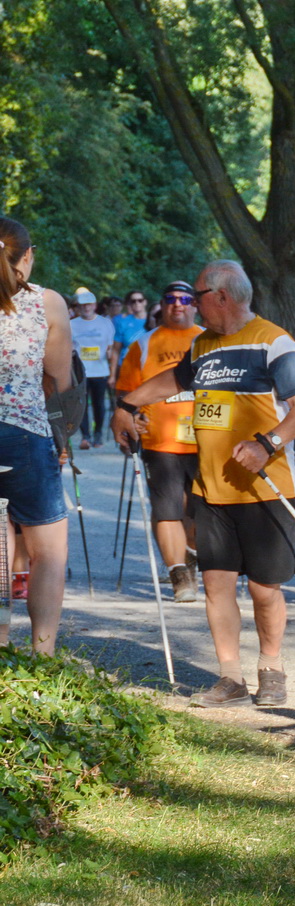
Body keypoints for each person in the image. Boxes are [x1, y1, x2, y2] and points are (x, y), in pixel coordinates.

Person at [113, 260, 295, 707]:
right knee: (216, 586)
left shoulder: (272, 340)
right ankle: (230, 678)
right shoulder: (203, 346)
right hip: (211, 490)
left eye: (198, 295)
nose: (192, 303)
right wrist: (127, 403)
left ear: (220, 297)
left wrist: (268, 443)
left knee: (265, 589)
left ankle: (271, 667)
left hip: (265, 489)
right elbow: (173, 380)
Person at [0, 216, 74, 654]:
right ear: (27, 255)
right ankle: (43, 656)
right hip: (23, 431)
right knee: (48, 549)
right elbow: (59, 379)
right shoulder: (46, 303)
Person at [112, 280, 203, 602]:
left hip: (205, 441)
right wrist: (129, 417)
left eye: (185, 298)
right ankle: (178, 573)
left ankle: (190, 552)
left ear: (195, 304)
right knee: (167, 510)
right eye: (170, 299)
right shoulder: (144, 343)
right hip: (159, 441)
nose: (177, 304)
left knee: (196, 514)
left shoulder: (208, 340)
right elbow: (126, 391)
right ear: (161, 305)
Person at [69, 288, 116, 449]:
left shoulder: (105, 323)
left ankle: (98, 435)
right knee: (81, 404)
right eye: (82, 305)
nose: (86, 308)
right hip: (80, 371)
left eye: (89, 304)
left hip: (100, 370)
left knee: (99, 404)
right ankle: (85, 436)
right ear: (78, 306)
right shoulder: (71, 324)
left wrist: (112, 369)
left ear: (95, 305)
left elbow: (111, 347)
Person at [112, 290, 149, 358]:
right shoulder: (122, 322)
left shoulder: (153, 320)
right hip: (126, 364)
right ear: (130, 304)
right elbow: (116, 350)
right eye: (133, 301)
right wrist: (113, 368)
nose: (137, 303)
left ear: (145, 302)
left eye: (140, 300)